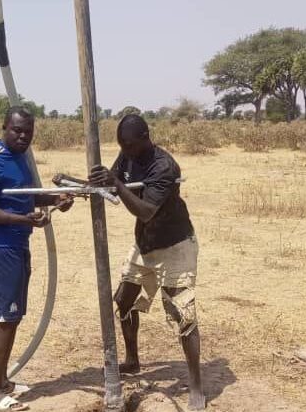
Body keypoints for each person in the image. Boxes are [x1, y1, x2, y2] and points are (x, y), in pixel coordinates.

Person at [88, 114, 205, 411]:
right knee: (123, 300)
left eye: (130, 145)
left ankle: (195, 387)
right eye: (122, 146)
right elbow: (112, 187)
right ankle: (132, 359)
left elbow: (145, 211)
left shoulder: (164, 166)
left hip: (175, 245)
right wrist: (90, 183)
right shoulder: (127, 156)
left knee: (182, 314)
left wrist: (114, 181)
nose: (126, 151)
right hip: (145, 244)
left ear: (145, 137)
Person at [0, 106, 73, 412]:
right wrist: (21, 220)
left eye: (28, 131)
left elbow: (25, 195)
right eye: (17, 130)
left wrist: (56, 199)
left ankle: (2, 382)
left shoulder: (21, 158)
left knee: (13, 318)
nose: (23, 135)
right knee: (6, 318)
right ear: (4, 128)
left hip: (17, 245)